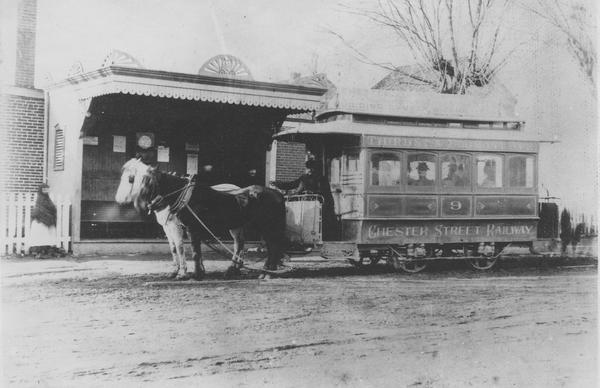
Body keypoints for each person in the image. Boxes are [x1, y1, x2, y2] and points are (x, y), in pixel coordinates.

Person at [271, 159, 338, 240]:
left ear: (315, 169)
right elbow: (292, 184)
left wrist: (313, 192)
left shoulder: (321, 178)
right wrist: (278, 184)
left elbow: (325, 191)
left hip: (318, 204)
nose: (309, 170)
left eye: (311, 168)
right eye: (308, 168)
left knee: (319, 221)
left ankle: (321, 237)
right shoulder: (304, 178)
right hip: (307, 204)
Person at [28, 184, 63, 258]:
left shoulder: (48, 199)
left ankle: (45, 251)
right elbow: (39, 209)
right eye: (44, 189)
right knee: (41, 235)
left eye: (47, 189)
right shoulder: (40, 199)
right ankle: (39, 252)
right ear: (41, 190)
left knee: (48, 236)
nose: (46, 191)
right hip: (41, 221)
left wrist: (52, 213)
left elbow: (52, 208)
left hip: (48, 221)